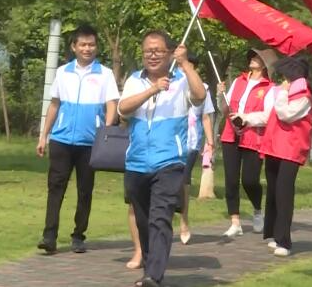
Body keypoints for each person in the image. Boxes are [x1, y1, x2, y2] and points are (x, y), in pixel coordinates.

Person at [118, 30, 206, 287]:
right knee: (144, 221)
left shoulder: (181, 80)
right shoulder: (135, 79)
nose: (152, 55)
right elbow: (123, 109)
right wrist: (153, 89)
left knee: (160, 217)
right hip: (136, 163)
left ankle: (154, 276)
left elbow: (200, 96)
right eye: (148, 51)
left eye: (158, 51)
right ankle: (149, 266)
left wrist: (186, 64)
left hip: (169, 161)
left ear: (169, 53)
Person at [36, 25, 120, 254]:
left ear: (96, 47)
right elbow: (54, 104)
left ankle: (78, 235)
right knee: (55, 188)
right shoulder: (63, 72)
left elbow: (112, 104)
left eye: (91, 44)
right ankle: (49, 236)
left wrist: (107, 132)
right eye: (82, 44)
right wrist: (44, 135)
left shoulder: (105, 74)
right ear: (74, 47)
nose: (87, 48)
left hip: (90, 143)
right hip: (61, 140)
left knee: (85, 190)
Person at [216, 48, 277, 237]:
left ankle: (258, 209)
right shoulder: (238, 81)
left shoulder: (270, 88)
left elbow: (267, 116)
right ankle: (235, 221)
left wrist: (245, 118)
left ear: (266, 64)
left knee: (250, 180)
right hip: (230, 135)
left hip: (253, 137)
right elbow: (225, 108)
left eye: (258, 57)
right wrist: (220, 95)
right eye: (252, 56)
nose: (253, 59)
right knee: (231, 180)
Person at [259, 57, 312, 257]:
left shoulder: (304, 96)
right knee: (273, 191)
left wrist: (281, 93)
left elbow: (286, 114)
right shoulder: (286, 92)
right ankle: (273, 234)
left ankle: (284, 240)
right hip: (274, 147)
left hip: (291, 149)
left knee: (283, 193)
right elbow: (269, 116)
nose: (283, 81)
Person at [177, 55, 215, 245]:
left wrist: (210, 141)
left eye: (188, 66)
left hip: (190, 143)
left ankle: (184, 221)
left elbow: (206, 117)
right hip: (169, 140)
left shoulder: (203, 89)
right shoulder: (171, 83)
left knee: (183, 182)